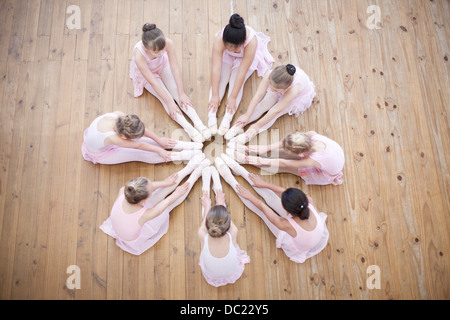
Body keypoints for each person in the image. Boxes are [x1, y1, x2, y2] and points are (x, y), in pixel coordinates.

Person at [215, 153, 329, 263]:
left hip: (301, 241)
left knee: (263, 213)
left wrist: (249, 196)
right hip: (311, 232)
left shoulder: (284, 225)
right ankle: (240, 171)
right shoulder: (307, 200)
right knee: (274, 199)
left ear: (288, 212)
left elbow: (262, 207)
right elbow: (286, 192)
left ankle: (231, 181)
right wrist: (263, 183)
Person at [99, 154, 210, 255]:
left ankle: (188, 169)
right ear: (143, 201)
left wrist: (164, 183)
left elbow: (150, 187)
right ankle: (194, 176)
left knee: (160, 191)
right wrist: (177, 193)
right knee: (167, 204)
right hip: (136, 232)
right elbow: (168, 202)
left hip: (125, 222)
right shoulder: (145, 215)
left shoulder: (125, 190)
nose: (153, 187)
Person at [130, 23, 211, 142]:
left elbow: (175, 68)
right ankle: (189, 128)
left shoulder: (167, 43)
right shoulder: (139, 56)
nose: (162, 53)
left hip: (162, 65)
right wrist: (170, 102)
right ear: (146, 49)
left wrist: (181, 92)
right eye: (157, 53)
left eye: (163, 50)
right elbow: (154, 83)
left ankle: (199, 124)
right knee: (166, 99)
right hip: (148, 76)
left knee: (177, 94)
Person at [207, 14, 274, 136]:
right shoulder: (220, 40)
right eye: (229, 48)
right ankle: (211, 115)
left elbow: (241, 73)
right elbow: (216, 68)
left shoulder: (251, 42)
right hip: (227, 57)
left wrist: (232, 97)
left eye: (235, 50)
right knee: (222, 80)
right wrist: (215, 95)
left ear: (243, 43)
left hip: (245, 58)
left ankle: (227, 118)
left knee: (235, 83)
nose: (232, 51)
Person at [225, 64, 316, 141]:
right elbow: (258, 95)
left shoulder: (293, 89)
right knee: (263, 105)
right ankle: (238, 126)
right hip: (281, 86)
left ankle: (245, 137)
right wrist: (247, 114)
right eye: (269, 85)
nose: (271, 90)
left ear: (286, 89)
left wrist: (257, 125)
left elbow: (275, 111)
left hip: (296, 97)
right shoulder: (270, 74)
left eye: (275, 90)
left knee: (274, 114)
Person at [81, 111, 202, 164]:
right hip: (101, 153)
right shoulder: (113, 138)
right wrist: (161, 150)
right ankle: (177, 156)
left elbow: (141, 131)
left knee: (148, 141)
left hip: (103, 139)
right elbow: (139, 145)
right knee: (138, 154)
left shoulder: (121, 116)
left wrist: (159, 140)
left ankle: (179, 145)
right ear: (123, 137)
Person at [198, 166, 250, 287]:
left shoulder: (202, 234)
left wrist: (207, 206)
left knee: (206, 219)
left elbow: (205, 221)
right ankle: (218, 189)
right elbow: (226, 218)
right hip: (231, 272)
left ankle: (207, 190)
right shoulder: (233, 232)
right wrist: (221, 202)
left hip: (212, 274)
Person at [230, 131, 345, 186]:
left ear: (300, 155)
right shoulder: (310, 136)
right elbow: (287, 143)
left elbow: (284, 163)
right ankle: (246, 150)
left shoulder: (311, 161)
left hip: (322, 172)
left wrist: (258, 160)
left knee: (278, 167)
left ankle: (244, 160)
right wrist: (266, 148)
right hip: (332, 157)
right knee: (278, 152)